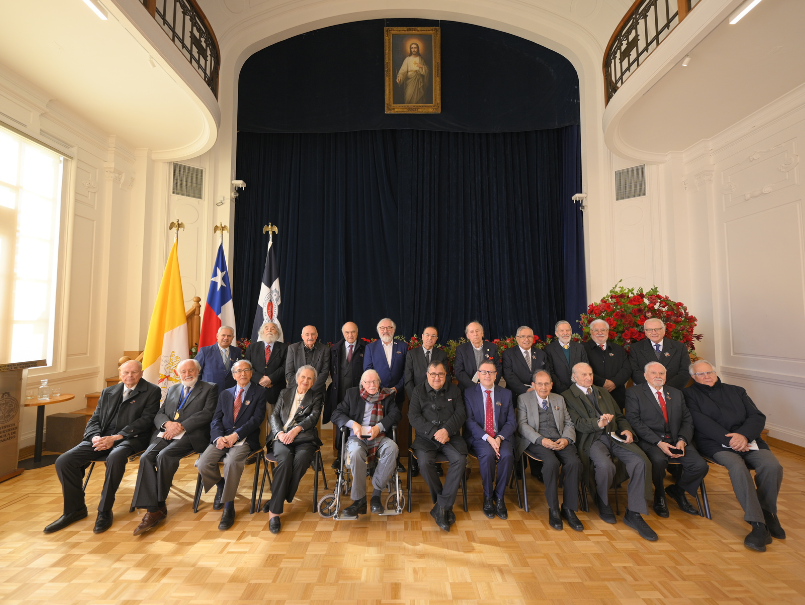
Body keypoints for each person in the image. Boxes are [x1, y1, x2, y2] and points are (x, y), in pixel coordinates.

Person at [44, 360, 160, 534]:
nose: (129, 376)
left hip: (130, 438)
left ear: (141, 373)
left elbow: (146, 420)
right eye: (126, 372)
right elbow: (95, 418)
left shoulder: (152, 391)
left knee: (115, 457)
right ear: (120, 374)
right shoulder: (108, 392)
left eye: (134, 372)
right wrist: (95, 437)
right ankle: (75, 510)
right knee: (64, 461)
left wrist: (116, 437)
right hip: (102, 437)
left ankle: (104, 511)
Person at [684, 360, 785, 552]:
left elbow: (756, 416)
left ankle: (767, 511)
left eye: (709, 372)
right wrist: (731, 440)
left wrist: (743, 436)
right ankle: (757, 523)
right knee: (737, 467)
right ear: (693, 378)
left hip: (748, 440)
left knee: (772, 466)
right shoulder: (688, 394)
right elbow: (700, 422)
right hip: (715, 443)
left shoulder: (737, 391)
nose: (707, 376)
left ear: (715, 373)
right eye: (700, 374)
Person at [563, 363, 657, 541]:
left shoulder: (602, 392)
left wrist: (627, 429)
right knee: (606, 466)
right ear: (574, 377)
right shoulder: (567, 396)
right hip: (591, 440)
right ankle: (603, 501)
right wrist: (598, 423)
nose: (588, 378)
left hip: (614, 436)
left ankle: (634, 513)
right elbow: (577, 424)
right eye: (583, 375)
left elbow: (619, 416)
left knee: (640, 462)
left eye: (590, 374)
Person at [132, 359, 218, 535]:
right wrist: (167, 424)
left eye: (191, 370)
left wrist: (182, 426)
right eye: (183, 371)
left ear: (198, 371)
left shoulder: (210, 388)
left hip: (190, 434)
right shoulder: (173, 389)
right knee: (146, 457)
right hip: (167, 432)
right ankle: (154, 507)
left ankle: (157, 506)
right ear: (178, 374)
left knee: (164, 456)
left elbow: (207, 413)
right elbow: (160, 413)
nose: (187, 374)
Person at [625, 361, 707, 518]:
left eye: (661, 373)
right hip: (651, 440)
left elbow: (687, 420)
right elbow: (634, 421)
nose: (658, 376)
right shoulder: (634, 393)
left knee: (700, 466)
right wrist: (659, 442)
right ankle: (660, 494)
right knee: (658, 461)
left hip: (676, 439)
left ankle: (678, 490)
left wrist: (682, 440)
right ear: (645, 376)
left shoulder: (676, 393)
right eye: (653, 373)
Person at [196, 360, 267, 530]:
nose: (243, 374)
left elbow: (256, 419)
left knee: (231, 462)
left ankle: (228, 506)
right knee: (202, 463)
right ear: (234, 375)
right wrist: (218, 437)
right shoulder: (225, 394)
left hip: (245, 438)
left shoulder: (259, 392)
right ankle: (221, 484)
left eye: (246, 370)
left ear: (251, 373)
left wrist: (236, 435)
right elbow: (216, 419)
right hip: (223, 438)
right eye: (239, 371)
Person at [516, 369, 584, 532]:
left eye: (547, 384)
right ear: (533, 385)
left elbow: (568, 423)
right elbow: (522, 425)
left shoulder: (558, 398)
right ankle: (553, 509)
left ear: (551, 385)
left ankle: (568, 509)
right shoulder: (523, 399)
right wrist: (541, 440)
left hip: (559, 439)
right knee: (551, 463)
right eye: (539, 384)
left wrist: (566, 439)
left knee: (574, 463)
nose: (543, 387)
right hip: (537, 441)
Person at [331, 369, 401, 516]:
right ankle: (359, 500)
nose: (372, 385)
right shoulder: (352, 394)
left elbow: (396, 414)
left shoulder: (387, 395)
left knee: (393, 448)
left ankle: (376, 495)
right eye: (368, 382)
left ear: (379, 382)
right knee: (356, 452)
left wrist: (379, 427)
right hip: (357, 438)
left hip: (380, 437)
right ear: (362, 384)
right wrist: (353, 424)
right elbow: (336, 414)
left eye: (374, 381)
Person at [262, 366, 323, 534]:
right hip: (282, 437)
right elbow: (274, 415)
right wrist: (279, 433)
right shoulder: (285, 393)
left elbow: (313, 417)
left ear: (313, 381)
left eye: (309, 378)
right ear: (297, 378)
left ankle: (277, 498)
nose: (305, 381)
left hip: (304, 439)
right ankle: (274, 514)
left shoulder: (316, 396)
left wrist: (296, 430)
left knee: (301, 459)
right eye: (303, 377)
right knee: (285, 460)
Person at [408, 360, 467, 532]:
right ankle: (444, 505)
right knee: (424, 462)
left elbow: (460, 413)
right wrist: (435, 432)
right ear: (427, 375)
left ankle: (440, 507)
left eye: (440, 374)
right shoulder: (418, 391)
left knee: (460, 460)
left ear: (445, 375)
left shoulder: (454, 390)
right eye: (433, 374)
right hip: (426, 438)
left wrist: (446, 430)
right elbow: (413, 416)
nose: (437, 378)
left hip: (451, 437)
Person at [463, 360, 516, 520]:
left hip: (501, 436)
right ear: (478, 374)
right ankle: (487, 496)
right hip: (479, 437)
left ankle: (499, 497)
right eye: (484, 372)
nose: (487, 375)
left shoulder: (506, 394)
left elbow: (511, 422)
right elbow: (469, 421)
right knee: (487, 455)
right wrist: (488, 438)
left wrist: (498, 438)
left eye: (491, 372)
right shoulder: (469, 393)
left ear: (495, 375)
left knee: (507, 456)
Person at [404, 326, 448, 476]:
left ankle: (436, 463)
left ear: (437, 339)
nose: (430, 338)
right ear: (422, 336)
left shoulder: (441, 354)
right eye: (427, 335)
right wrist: (417, 399)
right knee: (416, 429)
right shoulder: (412, 354)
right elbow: (408, 380)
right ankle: (414, 462)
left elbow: (445, 379)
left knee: (437, 427)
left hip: (437, 400)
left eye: (433, 336)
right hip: (417, 400)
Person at [325, 322, 366, 468]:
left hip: (359, 396)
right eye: (347, 332)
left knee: (357, 423)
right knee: (341, 425)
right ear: (343, 333)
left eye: (353, 332)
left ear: (357, 332)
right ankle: (340, 456)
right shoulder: (334, 349)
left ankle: (358, 456)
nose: (350, 335)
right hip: (340, 393)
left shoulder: (366, 348)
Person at [629, 318, 691, 390]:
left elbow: (685, 371)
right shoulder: (636, 348)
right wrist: (652, 388)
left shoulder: (679, 347)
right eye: (649, 330)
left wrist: (665, 389)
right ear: (645, 332)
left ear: (664, 330)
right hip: (646, 391)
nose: (654, 332)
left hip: (673, 390)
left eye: (657, 329)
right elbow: (634, 371)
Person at [584, 319, 631, 411]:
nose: (600, 333)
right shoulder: (583, 349)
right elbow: (582, 371)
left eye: (603, 330)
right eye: (596, 330)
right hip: (593, 395)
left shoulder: (618, 349)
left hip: (617, 395)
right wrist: (602, 382)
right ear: (591, 332)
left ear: (608, 331)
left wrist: (614, 382)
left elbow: (627, 369)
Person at [244, 321, 287, 413]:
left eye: (273, 328)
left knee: (274, 420)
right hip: (255, 390)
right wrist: (260, 379)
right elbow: (247, 366)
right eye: (266, 328)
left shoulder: (285, 348)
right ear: (262, 332)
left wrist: (270, 379)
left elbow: (285, 366)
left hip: (275, 391)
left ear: (277, 332)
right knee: (254, 419)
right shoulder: (252, 347)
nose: (269, 330)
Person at [363, 318, 408, 406]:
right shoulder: (370, 348)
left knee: (397, 415)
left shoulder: (403, 346)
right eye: (382, 328)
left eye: (389, 328)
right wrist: (381, 388)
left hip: (397, 394)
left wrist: (397, 388)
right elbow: (368, 371)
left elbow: (407, 370)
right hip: (377, 393)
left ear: (394, 330)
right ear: (378, 330)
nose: (385, 331)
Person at [501, 325, 551, 398]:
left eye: (529, 336)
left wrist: (539, 388)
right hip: (516, 394)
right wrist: (526, 390)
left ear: (533, 338)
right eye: (523, 336)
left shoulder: (541, 354)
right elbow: (508, 375)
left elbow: (547, 372)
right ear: (517, 338)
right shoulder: (508, 354)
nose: (526, 339)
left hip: (539, 393)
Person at [454, 321, 501, 392]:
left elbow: (498, 368)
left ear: (482, 333)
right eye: (472, 332)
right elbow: (459, 371)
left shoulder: (492, 347)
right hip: (468, 388)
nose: (475, 334)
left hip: (489, 387)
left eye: (477, 331)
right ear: (467, 336)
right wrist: (474, 387)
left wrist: (489, 385)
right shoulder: (461, 349)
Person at [544, 320, 589, 394]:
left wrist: (578, 387)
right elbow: (550, 372)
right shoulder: (549, 349)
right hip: (558, 392)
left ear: (571, 332)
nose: (565, 333)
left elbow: (585, 368)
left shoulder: (580, 348)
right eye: (562, 331)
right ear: (556, 333)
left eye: (567, 330)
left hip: (579, 390)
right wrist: (563, 389)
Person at [194, 326, 242, 393]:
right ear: (217, 336)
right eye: (223, 335)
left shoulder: (237, 351)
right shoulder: (205, 351)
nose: (226, 338)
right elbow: (195, 372)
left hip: (231, 393)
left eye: (229, 336)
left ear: (233, 337)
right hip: (210, 392)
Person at [285, 325, 330, 395]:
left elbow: (324, 372)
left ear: (317, 335)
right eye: (307, 334)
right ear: (302, 336)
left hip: (317, 392)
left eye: (313, 334)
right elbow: (289, 373)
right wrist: (302, 388)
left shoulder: (325, 350)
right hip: (296, 391)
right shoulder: (293, 349)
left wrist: (310, 390)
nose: (310, 337)